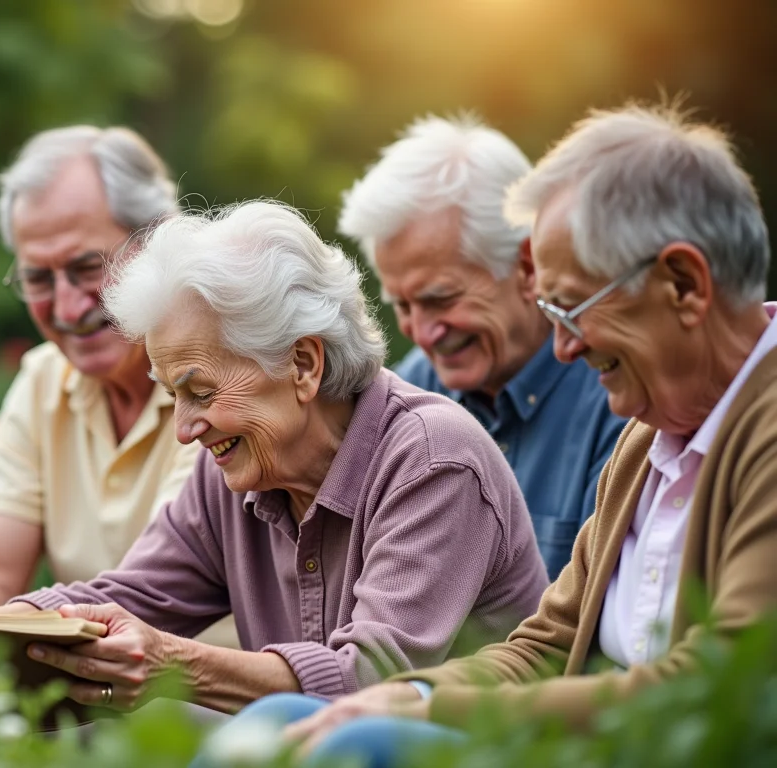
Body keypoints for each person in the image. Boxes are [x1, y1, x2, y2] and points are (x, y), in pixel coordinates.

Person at [215, 103, 777, 768]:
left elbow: (719, 682)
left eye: (575, 308)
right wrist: (412, 691)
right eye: (552, 312)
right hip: (585, 739)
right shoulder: (649, 440)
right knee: (285, 718)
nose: (563, 347)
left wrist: (426, 708)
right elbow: (546, 642)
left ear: (683, 285)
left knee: (360, 744)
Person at [0, 201, 549, 714]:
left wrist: (176, 663)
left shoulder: (432, 459)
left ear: (304, 364)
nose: (186, 429)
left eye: (200, 391)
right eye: (173, 396)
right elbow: (124, 598)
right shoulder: (236, 471)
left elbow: (377, 681)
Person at [0, 126, 236, 645]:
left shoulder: (219, 375)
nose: (67, 308)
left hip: (210, 699)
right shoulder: (44, 380)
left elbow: (154, 589)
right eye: (39, 280)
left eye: (89, 267)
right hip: (94, 687)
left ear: (161, 240)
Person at [339, 115, 627, 579]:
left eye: (440, 298)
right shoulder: (403, 398)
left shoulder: (620, 397)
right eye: (402, 305)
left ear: (528, 264)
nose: (423, 332)